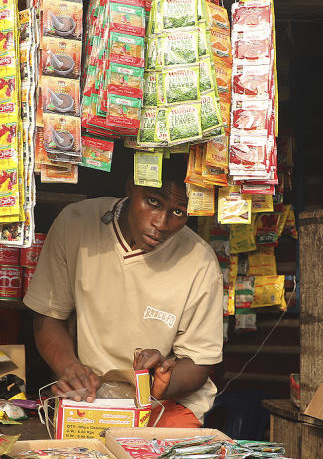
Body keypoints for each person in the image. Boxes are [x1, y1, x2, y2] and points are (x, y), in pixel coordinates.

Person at [23, 164, 223, 428]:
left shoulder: (200, 261)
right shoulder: (77, 223)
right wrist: (69, 368)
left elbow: (199, 363)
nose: (161, 223)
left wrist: (163, 380)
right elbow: (48, 315)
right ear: (131, 187)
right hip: (91, 397)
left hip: (164, 405)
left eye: (177, 212)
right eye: (153, 202)